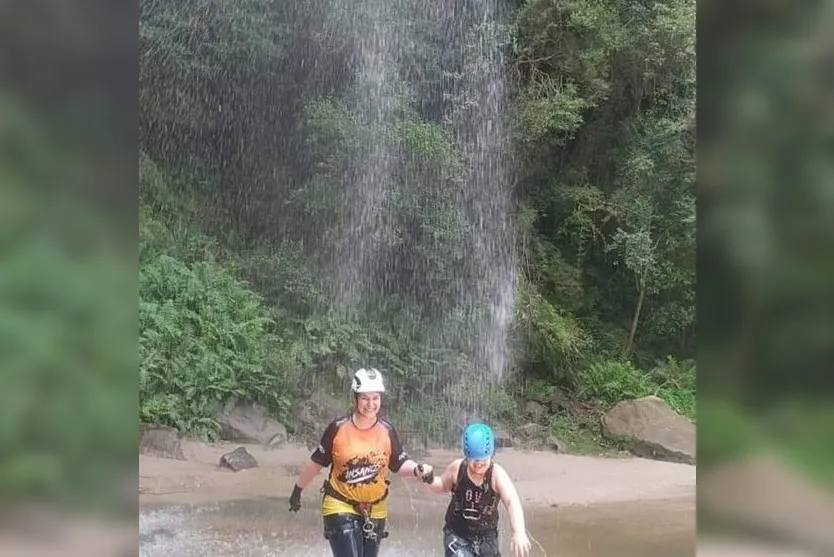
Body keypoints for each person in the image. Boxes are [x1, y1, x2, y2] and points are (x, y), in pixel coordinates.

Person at [288, 367, 435, 557]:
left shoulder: (387, 431)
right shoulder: (337, 428)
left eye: (375, 398)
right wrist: (297, 490)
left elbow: (399, 464)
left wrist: (417, 469)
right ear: (355, 398)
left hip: (376, 508)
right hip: (339, 504)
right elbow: (316, 463)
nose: (370, 404)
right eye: (365, 398)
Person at [423, 422, 532, 557]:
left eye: (483, 460)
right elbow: (442, 485)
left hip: (487, 537)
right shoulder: (458, 468)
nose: (479, 464)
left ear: (491, 454)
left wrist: (519, 532)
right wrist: (429, 479)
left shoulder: (497, 474)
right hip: (457, 534)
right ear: (466, 455)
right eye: (474, 460)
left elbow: (512, 501)